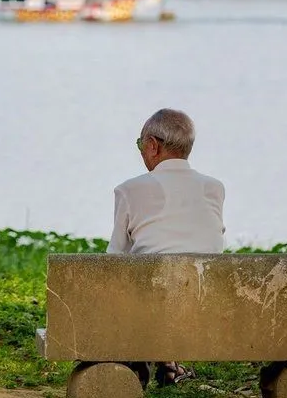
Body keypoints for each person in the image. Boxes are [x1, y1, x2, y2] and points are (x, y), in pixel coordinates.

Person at [108, 108, 226, 387]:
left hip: (151, 305)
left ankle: (148, 358)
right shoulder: (214, 188)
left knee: (128, 279)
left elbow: (114, 258)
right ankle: (168, 362)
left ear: (152, 145)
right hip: (203, 304)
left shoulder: (129, 190)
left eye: (140, 145)